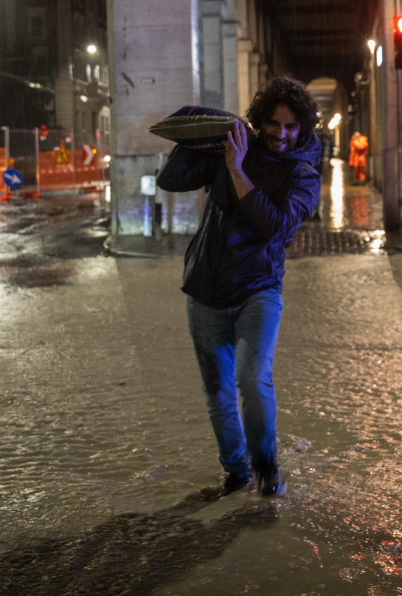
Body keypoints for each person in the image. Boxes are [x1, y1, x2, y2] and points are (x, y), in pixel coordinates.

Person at [156, 77, 321, 498]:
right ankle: (236, 473)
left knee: (252, 379)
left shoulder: (303, 174)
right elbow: (171, 180)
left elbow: (276, 227)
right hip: (206, 290)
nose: (280, 134)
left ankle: (267, 472)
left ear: (302, 129)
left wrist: (235, 169)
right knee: (218, 393)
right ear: (260, 120)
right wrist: (203, 138)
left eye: (290, 126)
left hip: (259, 291)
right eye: (273, 123)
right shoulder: (234, 147)